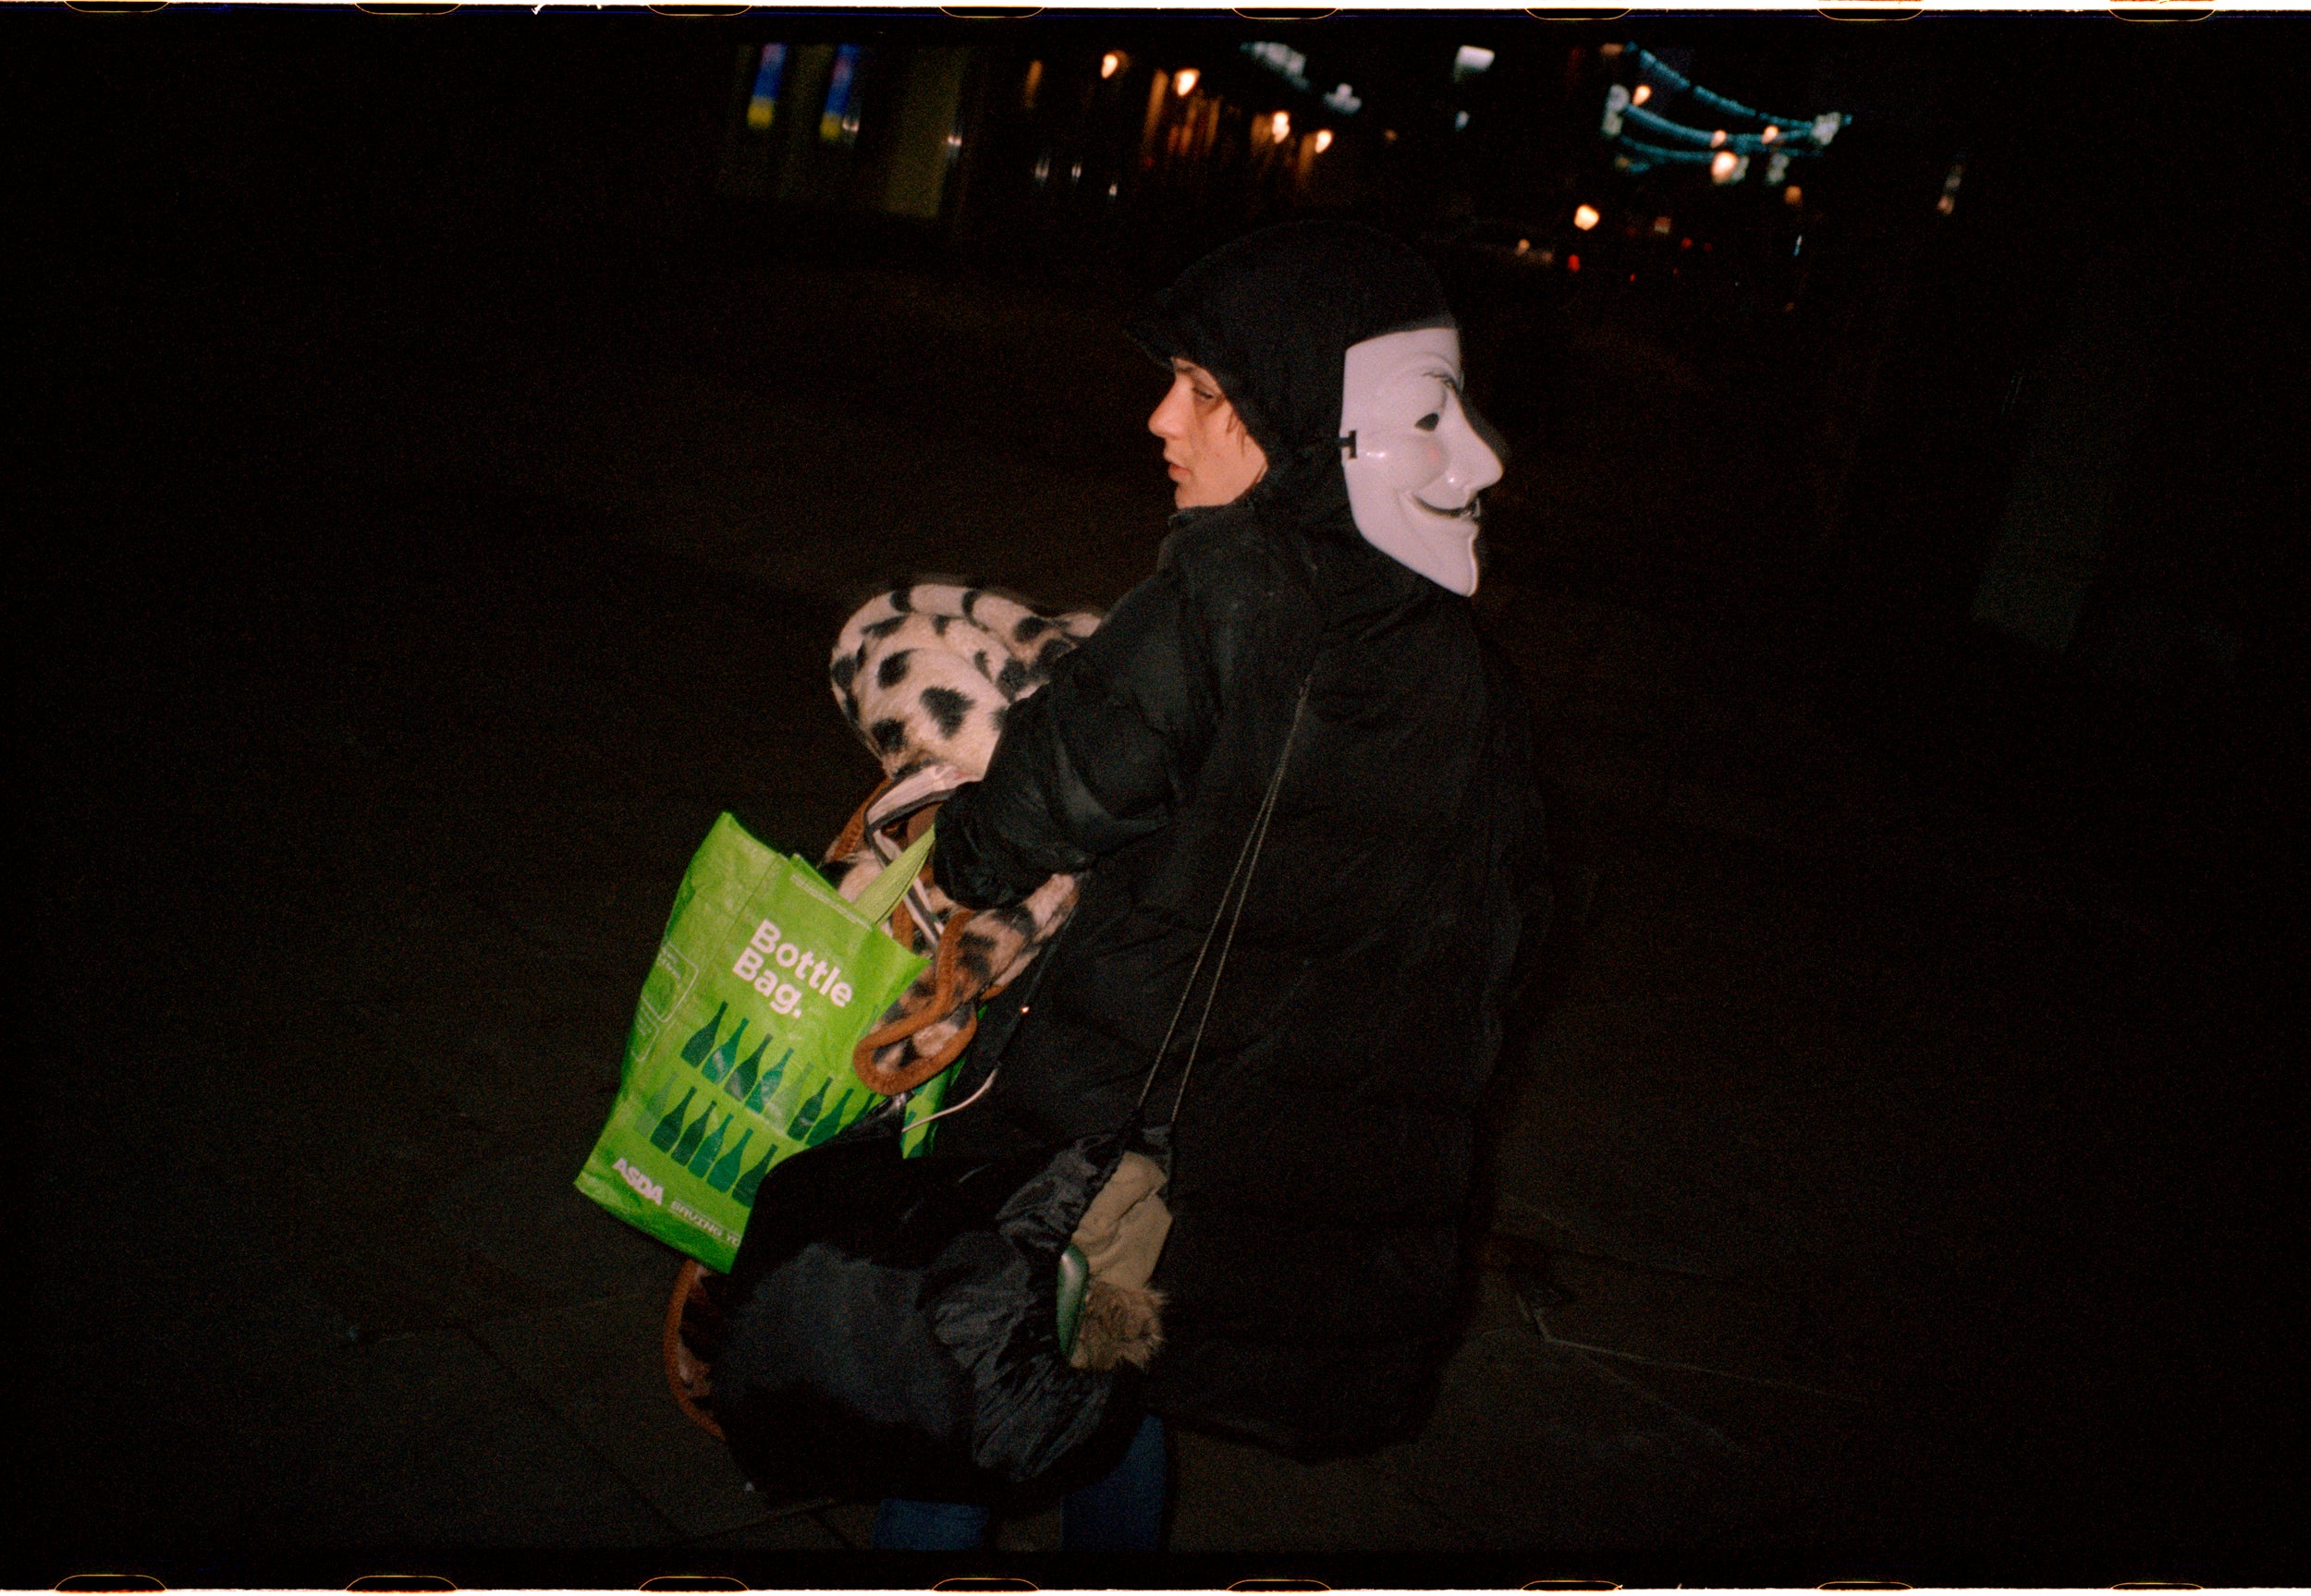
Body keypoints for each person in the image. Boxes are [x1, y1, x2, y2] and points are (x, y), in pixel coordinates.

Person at [874, 220, 1546, 1549]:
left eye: (1208, 390)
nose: (1159, 415)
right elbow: (1505, 943)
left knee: (962, 1385)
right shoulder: (1463, 665)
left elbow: (1017, 825)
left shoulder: (1217, 600)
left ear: (1307, 427)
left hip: (1111, 1113)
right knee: (1122, 1376)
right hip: (1257, 1160)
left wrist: (951, 852)